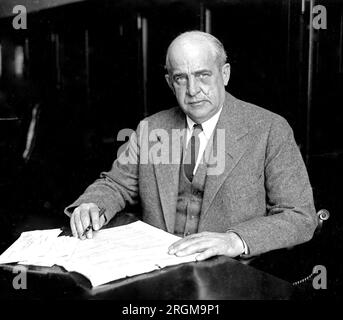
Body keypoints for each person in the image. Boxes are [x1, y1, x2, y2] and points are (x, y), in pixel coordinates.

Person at [65, 31, 317, 260]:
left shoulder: (270, 128)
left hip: (231, 275)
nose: (193, 90)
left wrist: (234, 240)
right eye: (181, 78)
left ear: (225, 74)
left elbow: (299, 216)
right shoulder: (150, 128)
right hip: (157, 268)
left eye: (203, 75)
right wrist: (92, 205)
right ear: (169, 83)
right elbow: (116, 184)